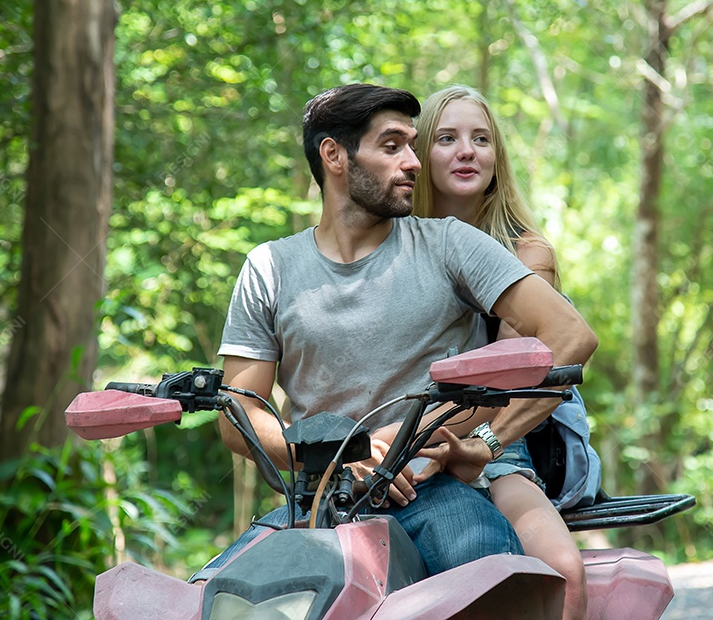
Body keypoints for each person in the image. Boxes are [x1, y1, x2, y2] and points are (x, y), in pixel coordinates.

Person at [213, 83, 598, 577]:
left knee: (494, 580)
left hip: (435, 491)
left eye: (413, 146)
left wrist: (447, 441)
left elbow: (568, 336)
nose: (413, 162)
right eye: (393, 146)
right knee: (217, 593)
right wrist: (333, 459)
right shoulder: (269, 267)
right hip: (319, 501)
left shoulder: (449, 244)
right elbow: (238, 413)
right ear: (333, 155)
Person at [412, 84, 592, 620]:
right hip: (396, 436)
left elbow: (512, 378)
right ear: (419, 154)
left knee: (563, 571)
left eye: (480, 139)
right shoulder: (392, 241)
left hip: (496, 435)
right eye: (447, 138)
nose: (467, 151)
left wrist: (481, 447)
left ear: (497, 158)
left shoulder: (525, 253)